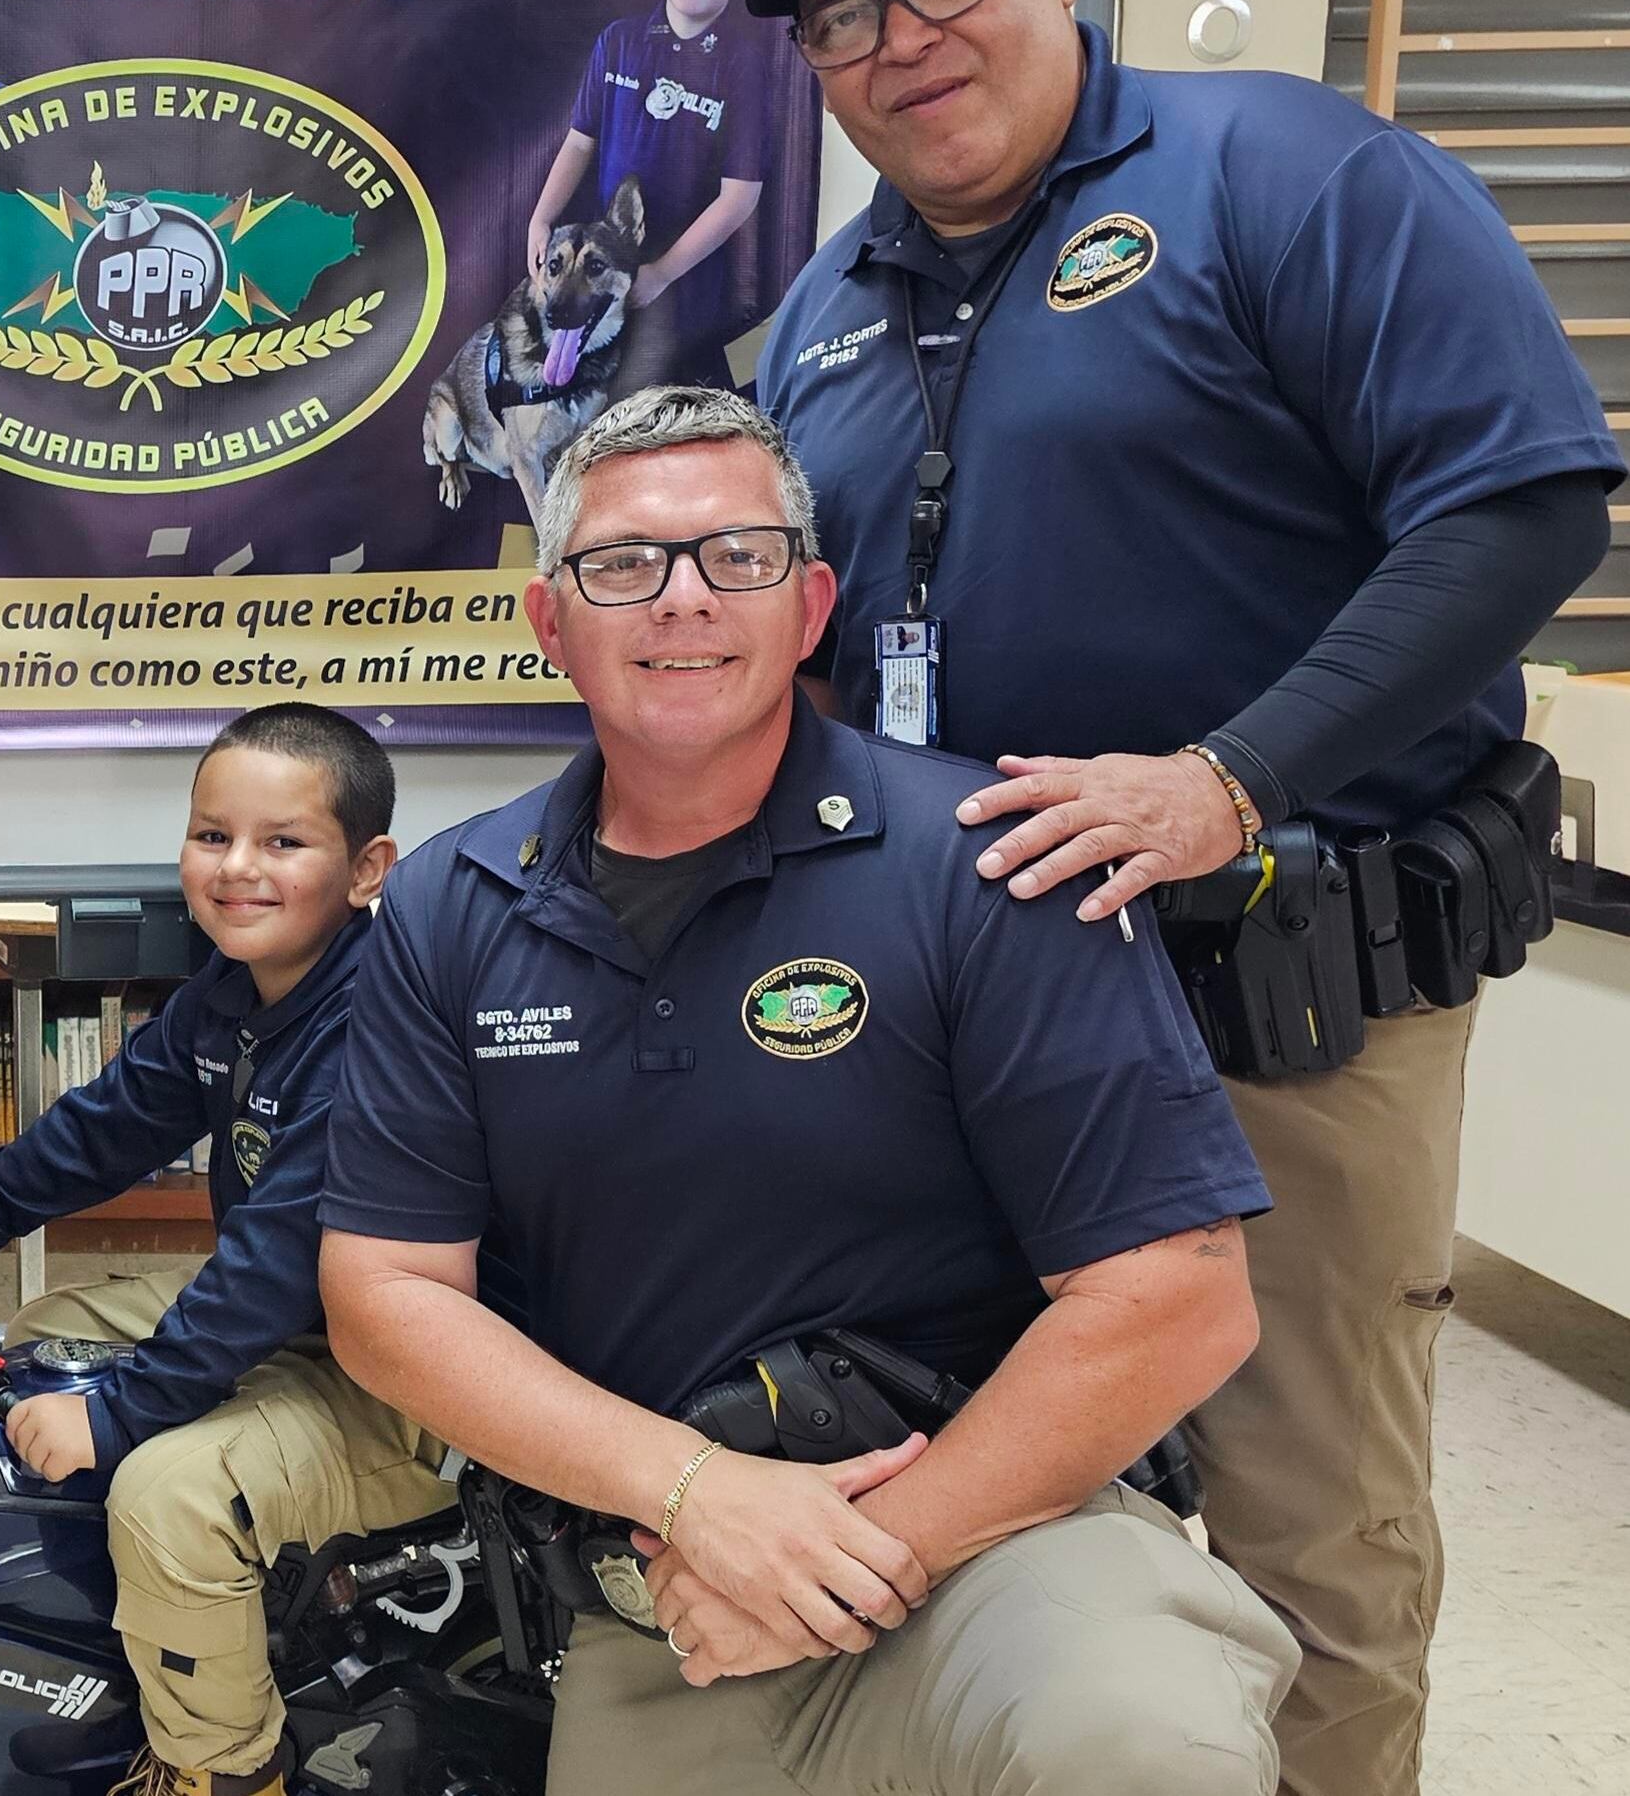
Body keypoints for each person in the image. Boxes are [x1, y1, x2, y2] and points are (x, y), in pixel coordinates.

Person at [741, 0, 1625, 1793]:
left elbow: (1521, 501)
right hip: (963, 1030)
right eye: (844, 14)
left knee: (1312, 1522)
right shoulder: (823, 314)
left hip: (1274, 1006)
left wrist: (1241, 776)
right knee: (997, 1488)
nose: (902, 35)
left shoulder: (1295, 177)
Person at [320, 387, 1301, 1796]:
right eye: (621, 565)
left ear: (810, 602)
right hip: (668, 1590)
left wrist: (849, 1552)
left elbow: (1177, 1296)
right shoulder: (445, 905)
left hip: (999, 1537)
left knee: (1139, 1748)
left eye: (738, 556)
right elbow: (386, 1295)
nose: (681, 601)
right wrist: (696, 1496)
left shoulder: (991, 867)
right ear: (549, 622)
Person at [0, 702, 437, 1796]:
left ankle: (220, 1766)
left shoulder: (376, 1024)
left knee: (163, 1487)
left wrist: (116, 1418)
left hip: (410, 1380)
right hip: (305, 1322)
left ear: (368, 868)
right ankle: (154, 1646)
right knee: (52, 1336)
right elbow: (96, 1134)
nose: (237, 868)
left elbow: (274, 1263)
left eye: (283, 842)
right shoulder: (235, 995)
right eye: (213, 835)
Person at [524, 0, 777, 393]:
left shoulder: (744, 65)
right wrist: (541, 219)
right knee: (584, 399)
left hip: (684, 283)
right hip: (602, 269)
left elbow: (739, 198)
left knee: (651, 405)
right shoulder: (618, 42)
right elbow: (578, 141)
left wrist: (661, 273)